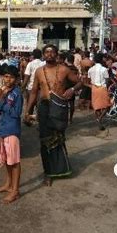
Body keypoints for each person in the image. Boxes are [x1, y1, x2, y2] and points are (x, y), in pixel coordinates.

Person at [25, 44, 82, 186]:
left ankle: (61, 168)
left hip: (59, 108)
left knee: (58, 139)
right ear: (43, 55)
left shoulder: (64, 70)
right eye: (47, 52)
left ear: (56, 54)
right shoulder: (38, 71)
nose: (49, 54)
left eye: (52, 52)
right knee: (45, 142)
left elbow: (81, 82)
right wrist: (28, 111)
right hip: (44, 107)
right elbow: (33, 92)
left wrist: (72, 90)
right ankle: (48, 173)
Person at [0, 65, 23, 204]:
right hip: (2, 128)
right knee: (7, 160)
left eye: (10, 77)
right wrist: (1, 99)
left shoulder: (17, 93)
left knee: (14, 161)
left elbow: (16, 113)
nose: (7, 79)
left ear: (16, 79)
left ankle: (15, 190)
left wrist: (3, 103)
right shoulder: (3, 90)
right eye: (5, 76)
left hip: (11, 130)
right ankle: (8, 184)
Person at [87, 53, 112, 128]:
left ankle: (99, 121)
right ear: (101, 60)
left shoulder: (90, 69)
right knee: (107, 106)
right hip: (102, 88)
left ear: (94, 60)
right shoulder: (104, 69)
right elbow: (107, 80)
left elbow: (89, 79)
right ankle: (100, 119)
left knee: (96, 106)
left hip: (94, 88)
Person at [22, 49, 45, 123]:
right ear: (41, 55)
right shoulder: (44, 64)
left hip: (31, 88)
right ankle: (40, 121)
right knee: (40, 106)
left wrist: (22, 88)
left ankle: (28, 120)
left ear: (33, 55)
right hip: (41, 88)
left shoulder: (30, 64)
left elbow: (26, 77)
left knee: (30, 105)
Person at [64, 54, 79, 124]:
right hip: (72, 86)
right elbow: (77, 79)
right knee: (72, 102)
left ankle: (65, 118)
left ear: (67, 59)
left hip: (65, 86)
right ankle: (70, 119)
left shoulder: (65, 68)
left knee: (64, 103)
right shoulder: (75, 68)